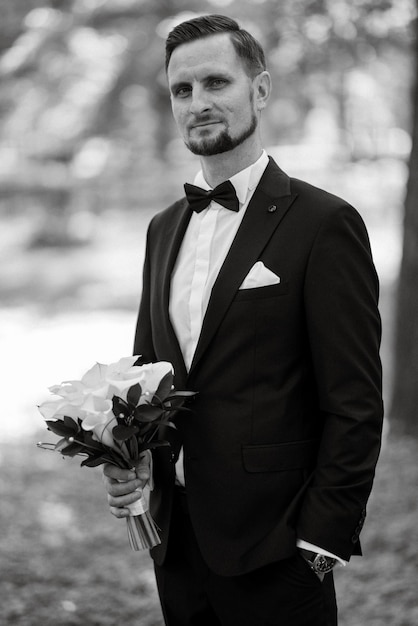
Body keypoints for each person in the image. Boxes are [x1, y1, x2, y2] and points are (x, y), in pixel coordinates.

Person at [102, 14, 384, 626]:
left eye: (216, 83)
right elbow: (149, 383)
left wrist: (321, 543)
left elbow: (356, 402)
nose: (198, 104)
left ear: (259, 91)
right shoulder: (162, 229)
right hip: (178, 545)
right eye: (182, 90)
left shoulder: (324, 224)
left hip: (279, 548)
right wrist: (131, 466)